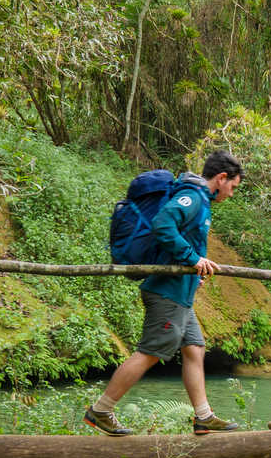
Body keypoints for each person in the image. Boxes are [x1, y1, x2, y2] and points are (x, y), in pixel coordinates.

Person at [83, 151, 244, 437]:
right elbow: (163, 225)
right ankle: (101, 410)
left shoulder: (201, 203)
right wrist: (193, 259)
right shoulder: (193, 197)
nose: (232, 194)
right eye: (233, 186)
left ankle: (203, 417)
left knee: (194, 348)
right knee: (151, 353)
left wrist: (193, 269)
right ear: (222, 178)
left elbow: (181, 242)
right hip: (166, 294)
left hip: (180, 293)